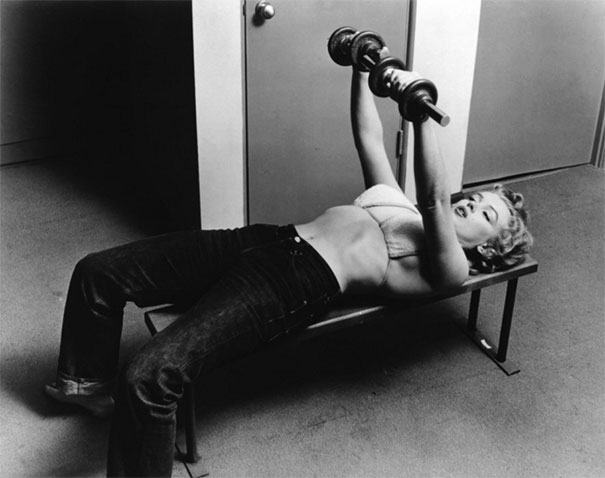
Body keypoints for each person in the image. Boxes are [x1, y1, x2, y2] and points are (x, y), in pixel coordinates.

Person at [44, 67, 533, 477]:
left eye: (486, 215)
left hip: (293, 283)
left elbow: (436, 199)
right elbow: (368, 137)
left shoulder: (449, 267)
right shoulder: (400, 206)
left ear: (488, 252)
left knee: (150, 376)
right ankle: (86, 385)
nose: (471, 204)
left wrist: (420, 115)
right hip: (268, 239)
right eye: (476, 198)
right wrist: (363, 66)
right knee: (100, 271)